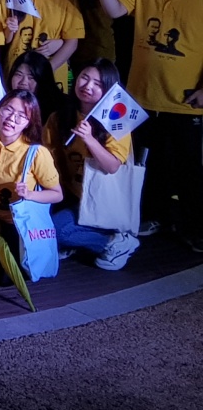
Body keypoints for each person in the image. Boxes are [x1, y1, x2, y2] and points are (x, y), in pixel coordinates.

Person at [93, 0, 203, 248]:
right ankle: (155, 216)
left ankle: (196, 227)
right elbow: (115, 11)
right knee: (147, 163)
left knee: (189, 168)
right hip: (142, 96)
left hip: (186, 100)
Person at [45, 59, 140, 270]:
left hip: (101, 201)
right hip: (71, 194)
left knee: (56, 231)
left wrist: (89, 139)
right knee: (36, 226)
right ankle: (75, 239)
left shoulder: (116, 119)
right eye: (84, 78)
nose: (88, 86)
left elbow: (112, 166)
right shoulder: (61, 116)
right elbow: (47, 155)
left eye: (98, 84)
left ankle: (115, 242)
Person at [0, 90, 63, 268]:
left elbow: (57, 194)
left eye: (21, 115)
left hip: (15, 225)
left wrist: (29, 194)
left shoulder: (36, 153)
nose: (12, 118)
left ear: (29, 122)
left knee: (3, 273)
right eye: (8, 109)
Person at [4, 0, 83, 92]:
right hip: (17, 75)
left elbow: (72, 43)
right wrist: (9, 29)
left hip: (53, 74)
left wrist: (44, 73)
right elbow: (3, 40)